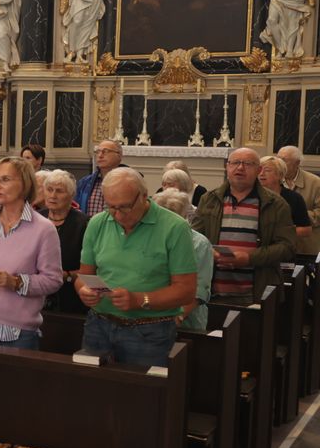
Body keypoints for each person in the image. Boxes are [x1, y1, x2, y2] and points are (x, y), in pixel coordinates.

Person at [76, 168, 198, 367]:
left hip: (149, 331)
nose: (117, 215)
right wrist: (83, 290)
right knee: (93, 392)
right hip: (98, 325)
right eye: (111, 207)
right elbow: (84, 275)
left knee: (143, 395)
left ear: (143, 196)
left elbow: (186, 291)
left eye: (124, 207)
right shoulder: (98, 222)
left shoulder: (174, 227)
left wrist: (139, 300)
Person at [0, 157, 63, 349]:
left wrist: (15, 282)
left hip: (19, 330)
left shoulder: (44, 229)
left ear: (25, 184)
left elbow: (53, 279)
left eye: (6, 179)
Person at [193, 148, 296, 306]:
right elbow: (194, 238)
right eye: (235, 163)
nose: (240, 168)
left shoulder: (276, 204)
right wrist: (209, 252)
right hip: (211, 291)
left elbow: (287, 247)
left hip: (255, 293)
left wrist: (249, 258)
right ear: (227, 167)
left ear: (258, 170)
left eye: (247, 164)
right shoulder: (209, 199)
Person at [154, 189, 212, 332]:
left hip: (187, 322)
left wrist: (178, 317)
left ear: (183, 216)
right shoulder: (152, 237)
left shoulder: (199, 243)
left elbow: (200, 289)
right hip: (153, 317)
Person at [39, 169, 88, 312]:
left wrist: (67, 275)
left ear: (72, 195)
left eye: (59, 191)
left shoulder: (83, 224)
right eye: (49, 190)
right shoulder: (35, 219)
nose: (53, 195)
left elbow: (92, 269)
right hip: (36, 297)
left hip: (70, 298)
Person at [278, 145, 320, 254]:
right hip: (280, 246)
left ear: (297, 163)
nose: (279, 164)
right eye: (277, 160)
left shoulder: (315, 183)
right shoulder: (274, 181)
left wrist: (299, 215)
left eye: (283, 161)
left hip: (307, 245)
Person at [260, 155, 312, 241]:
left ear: (280, 175)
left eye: (267, 170)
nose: (261, 174)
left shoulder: (293, 198)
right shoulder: (251, 195)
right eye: (259, 170)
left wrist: (277, 234)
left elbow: (306, 230)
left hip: (284, 247)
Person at [75, 139, 125, 216]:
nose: (100, 155)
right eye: (98, 152)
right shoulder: (85, 182)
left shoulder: (128, 182)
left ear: (119, 156)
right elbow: (76, 209)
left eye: (106, 151)